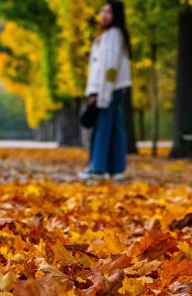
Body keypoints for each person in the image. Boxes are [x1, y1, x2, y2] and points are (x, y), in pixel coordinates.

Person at [78, 0, 132, 180]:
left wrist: (100, 94)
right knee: (116, 128)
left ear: (116, 16)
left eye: (108, 12)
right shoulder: (115, 35)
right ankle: (116, 169)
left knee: (101, 128)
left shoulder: (112, 36)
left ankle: (97, 167)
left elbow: (109, 68)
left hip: (107, 89)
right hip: (115, 88)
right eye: (103, 11)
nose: (104, 15)